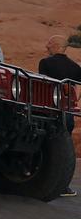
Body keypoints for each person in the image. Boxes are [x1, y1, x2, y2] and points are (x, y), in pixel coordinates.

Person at [38, 35, 81, 198]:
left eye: (49, 43)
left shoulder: (45, 63)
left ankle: (43, 183)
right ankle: (64, 186)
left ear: (55, 45)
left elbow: (43, 85)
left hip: (49, 112)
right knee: (65, 151)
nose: (46, 45)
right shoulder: (74, 66)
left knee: (46, 147)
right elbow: (78, 86)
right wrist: (74, 102)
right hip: (67, 113)